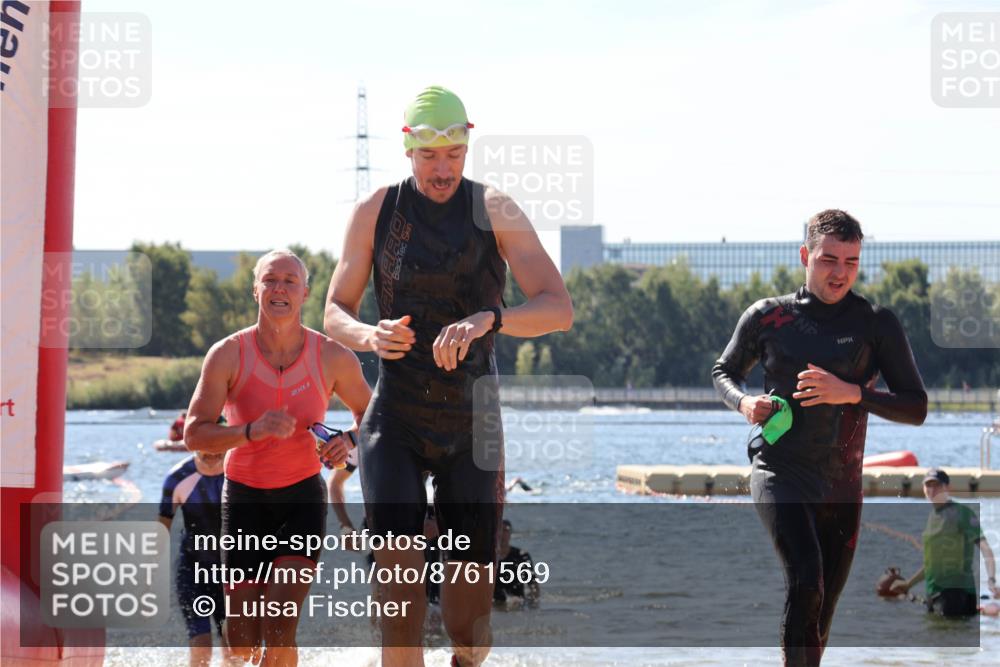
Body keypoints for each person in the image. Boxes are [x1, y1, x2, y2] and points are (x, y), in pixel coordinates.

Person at [324, 85, 573, 667]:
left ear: (468, 144)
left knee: (468, 627)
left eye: (454, 155)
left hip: (472, 424)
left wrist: (494, 318)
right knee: (401, 603)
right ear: (408, 148)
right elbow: (336, 309)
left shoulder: (495, 209)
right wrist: (369, 335)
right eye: (431, 156)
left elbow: (558, 307)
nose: (443, 169)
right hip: (396, 420)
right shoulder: (375, 211)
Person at [711, 209, 928, 666]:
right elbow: (724, 372)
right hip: (779, 472)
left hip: (840, 487)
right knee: (806, 579)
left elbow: (916, 406)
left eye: (851, 262)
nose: (840, 272)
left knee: (821, 611)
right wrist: (744, 403)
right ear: (806, 255)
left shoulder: (875, 323)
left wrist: (852, 393)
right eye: (829, 260)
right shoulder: (769, 317)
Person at [185, 249, 372, 667]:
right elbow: (194, 434)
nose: (279, 288)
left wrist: (349, 440)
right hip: (244, 500)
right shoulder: (228, 354)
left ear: (305, 293)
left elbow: (376, 418)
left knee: (280, 622)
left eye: (290, 281)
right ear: (256, 290)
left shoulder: (332, 356)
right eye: (270, 280)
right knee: (242, 638)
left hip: (301, 498)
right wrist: (250, 431)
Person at [158, 450, 234, 667]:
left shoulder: (239, 476)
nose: (211, 452)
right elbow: (162, 529)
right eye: (205, 445)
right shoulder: (178, 477)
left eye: (218, 446)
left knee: (233, 646)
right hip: (192, 571)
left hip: (231, 573)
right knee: (201, 643)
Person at [890, 468, 1000, 616]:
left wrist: (991, 579)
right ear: (923, 489)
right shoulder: (932, 518)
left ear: (948, 488)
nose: (932, 489)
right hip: (938, 593)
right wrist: (908, 584)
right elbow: (932, 564)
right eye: (928, 485)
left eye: (937, 485)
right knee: (945, 635)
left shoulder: (962, 513)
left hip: (953, 593)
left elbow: (985, 548)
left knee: (945, 635)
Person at [493, 520, 540, 608]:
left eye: (506, 530)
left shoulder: (521, 556)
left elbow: (533, 585)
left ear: (511, 533)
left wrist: (532, 603)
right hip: (494, 603)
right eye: (500, 530)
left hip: (517, 602)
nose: (503, 534)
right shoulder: (488, 556)